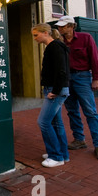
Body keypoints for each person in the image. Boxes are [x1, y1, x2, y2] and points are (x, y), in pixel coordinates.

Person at [56, 16, 98, 161]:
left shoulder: (85, 38)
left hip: (83, 77)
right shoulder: (60, 42)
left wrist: (96, 78)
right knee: (72, 111)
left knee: (90, 112)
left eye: (64, 26)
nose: (60, 28)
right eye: (60, 26)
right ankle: (79, 139)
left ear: (72, 26)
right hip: (67, 79)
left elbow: (95, 58)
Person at [32, 23, 70, 167]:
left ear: (46, 33)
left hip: (55, 91)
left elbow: (61, 70)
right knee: (56, 123)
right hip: (56, 89)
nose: (35, 38)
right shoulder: (57, 47)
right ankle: (62, 154)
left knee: (43, 122)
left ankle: (56, 156)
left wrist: (55, 91)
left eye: (36, 35)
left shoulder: (54, 47)